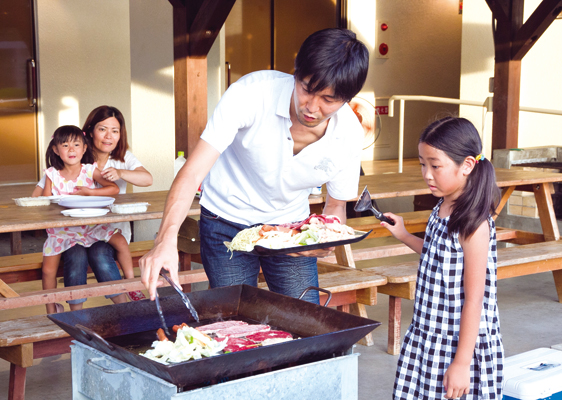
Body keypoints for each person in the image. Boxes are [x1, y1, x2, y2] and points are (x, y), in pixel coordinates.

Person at [139, 28, 370, 304]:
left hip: (290, 229)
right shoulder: (251, 94)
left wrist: (324, 241)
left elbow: (335, 207)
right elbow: (192, 172)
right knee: (237, 319)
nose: (312, 106)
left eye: (328, 100)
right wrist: (165, 240)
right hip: (226, 219)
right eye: (307, 89)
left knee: (305, 315)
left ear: (347, 99)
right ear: (295, 73)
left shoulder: (349, 133)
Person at [382, 117, 504, 399]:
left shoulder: (474, 224)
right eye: (423, 164)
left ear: (467, 165)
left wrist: (462, 363)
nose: (427, 174)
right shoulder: (441, 207)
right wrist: (402, 234)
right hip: (428, 331)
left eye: (435, 165)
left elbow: (476, 299)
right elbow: (437, 255)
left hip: (458, 342)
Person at [34, 105, 153, 306]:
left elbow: (147, 179)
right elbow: (40, 196)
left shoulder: (121, 158)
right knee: (77, 254)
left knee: (99, 252)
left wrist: (121, 173)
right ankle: (76, 311)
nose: (109, 136)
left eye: (115, 131)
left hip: (105, 230)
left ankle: (125, 305)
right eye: (102, 129)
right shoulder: (71, 161)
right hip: (71, 232)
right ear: (90, 132)